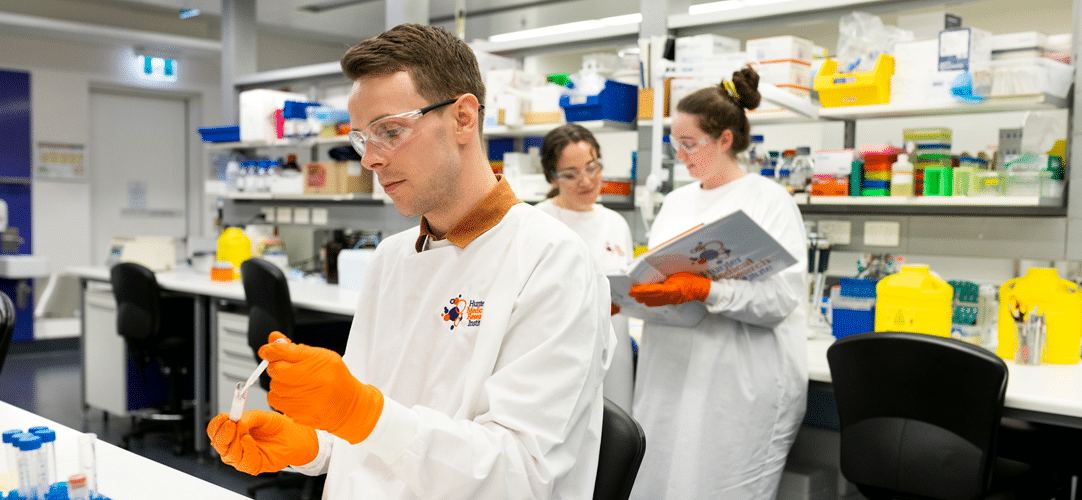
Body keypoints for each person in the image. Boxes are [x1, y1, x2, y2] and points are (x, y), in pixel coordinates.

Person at [207, 24, 615, 499]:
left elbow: (519, 475)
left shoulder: (554, 263)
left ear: (463, 118)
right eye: (362, 138)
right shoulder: (390, 258)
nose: (369, 161)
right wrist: (309, 445)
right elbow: (370, 435)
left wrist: (359, 411)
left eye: (390, 131)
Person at [626, 67, 808, 499]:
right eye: (676, 143)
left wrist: (707, 289)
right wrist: (633, 296)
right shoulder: (675, 202)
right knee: (658, 482)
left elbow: (780, 298)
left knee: (720, 487)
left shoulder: (769, 202)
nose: (681, 155)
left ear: (725, 139)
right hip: (667, 375)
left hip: (735, 382)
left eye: (690, 144)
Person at [534, 123, 635, 412]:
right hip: (561, 357)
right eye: (571, 174)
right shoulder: (539, 221)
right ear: (551, 178)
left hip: (614, 353)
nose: (586, 181)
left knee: (616, 440)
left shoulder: (616, 223)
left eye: (592, 168)